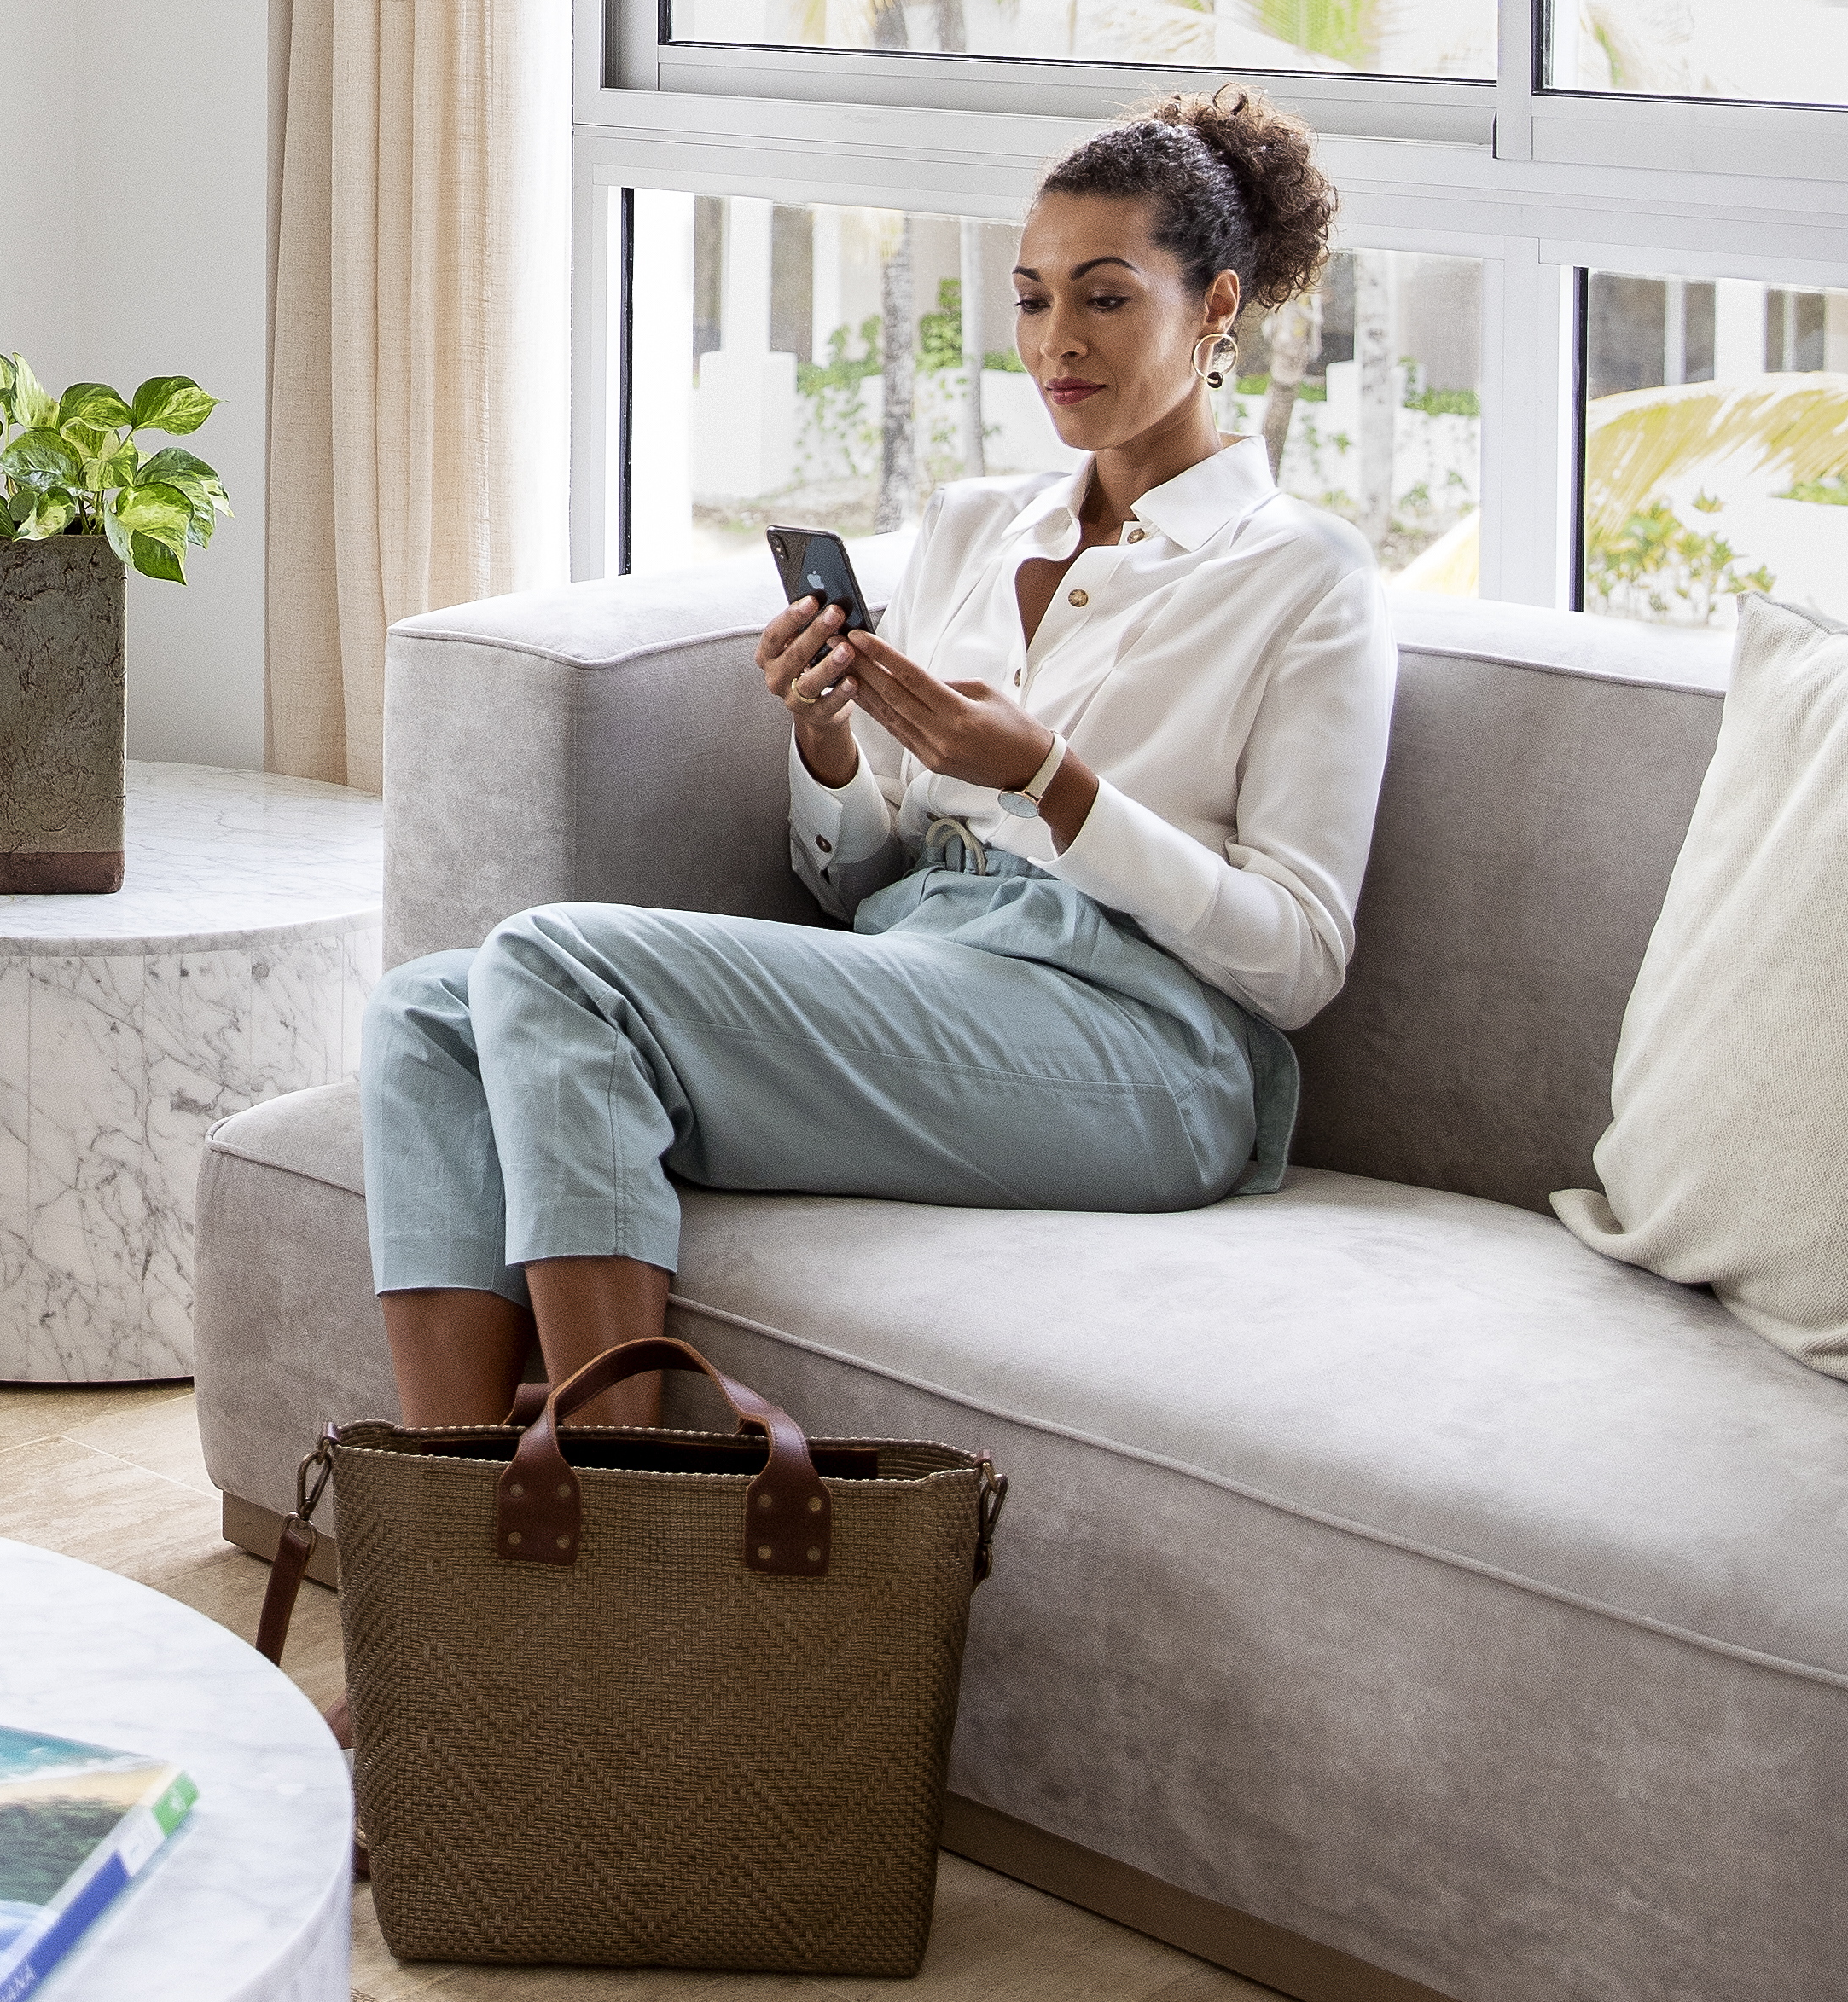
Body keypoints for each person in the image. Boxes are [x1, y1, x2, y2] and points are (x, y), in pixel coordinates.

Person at [364, 86, 1386, 1436]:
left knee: (552, 961)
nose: (1056, 342)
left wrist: (1054, 781)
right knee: (429, 1011)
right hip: (928, 961)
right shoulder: (975, 527)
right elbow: (863, 885)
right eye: (1031, 300)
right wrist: (827, 736)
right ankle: (446, 1503)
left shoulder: (1304, 574)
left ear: (1216, 309)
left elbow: (1299, 960)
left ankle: (616, 1506)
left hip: (1147, 1049)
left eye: (1105, 298)